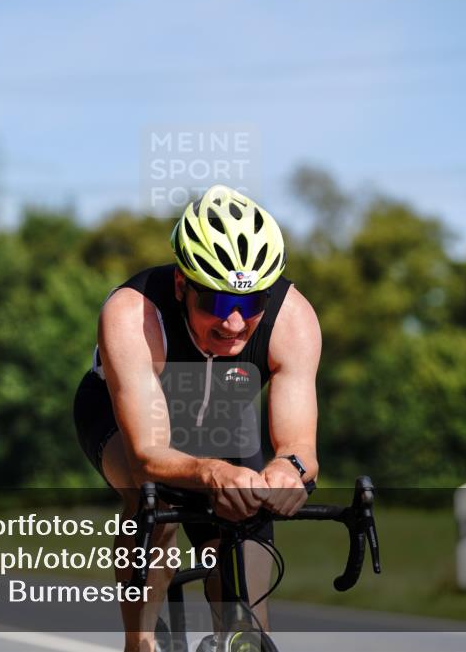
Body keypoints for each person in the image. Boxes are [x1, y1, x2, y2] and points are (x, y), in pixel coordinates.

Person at [74, 185, 321, 652]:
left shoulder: (294, 319)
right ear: (182, 285)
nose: (232, 323)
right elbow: (148, 454)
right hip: (121, 413)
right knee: (154, 501)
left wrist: (283, 477)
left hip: (224, 412)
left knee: (246, 556)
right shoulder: (133, 313)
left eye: (249, 305)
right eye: (215, 302)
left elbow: (299, 449)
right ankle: (139, 641)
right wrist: (210, 473)